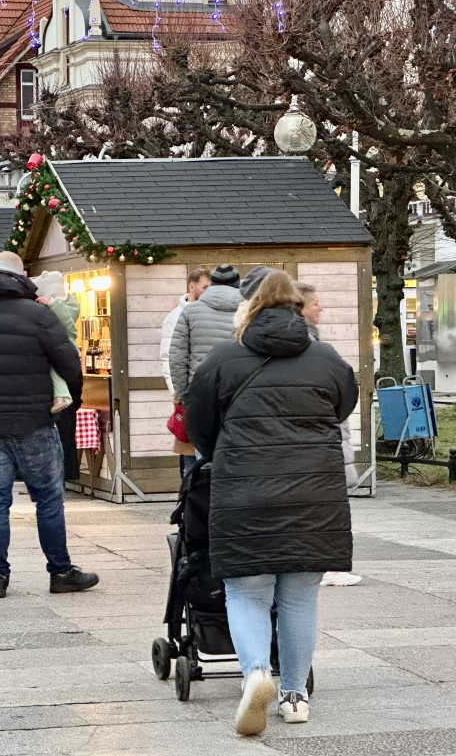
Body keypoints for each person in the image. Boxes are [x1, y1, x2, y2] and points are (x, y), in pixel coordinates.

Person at [186, 271, 358, 736]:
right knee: (300, 595)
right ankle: (296, 695)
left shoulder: (223, 359)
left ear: (248, 306)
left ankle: (257, 673)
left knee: (247, 591)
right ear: (297, 308)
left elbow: (197, 424)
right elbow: (343, 407)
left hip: (244, 494)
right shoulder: (326, 358)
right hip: (314, 495)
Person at [0, 251, 98, 599]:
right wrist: (69, 401)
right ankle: (60, 571)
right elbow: (68, 362)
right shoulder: (37, 314)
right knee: (48, 499)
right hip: (34, 419)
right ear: (20, 276)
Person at [295, 281, 362, 588]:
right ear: (300, 309)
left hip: (319, 435)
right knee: (326, 504)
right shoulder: (313, 347)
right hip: (323, 437)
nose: (320, 307)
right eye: (315, 303)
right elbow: (345, 391)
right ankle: (328, 566)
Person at [169, 264, 243, 477]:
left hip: (200, 394)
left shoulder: (191, 312)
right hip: (239, 394)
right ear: (237, 284)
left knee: (202, 459)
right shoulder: (249, 311)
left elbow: (177, 357)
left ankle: (201, 506)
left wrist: (183, 394)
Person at [33, 271, 80, 413]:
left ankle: (62, 396)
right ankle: (62, 396)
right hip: (64, 344)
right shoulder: (70, 303)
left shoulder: (64, 305)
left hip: (63, 344)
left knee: (53, 367)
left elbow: (67, 322)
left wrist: (52, 303)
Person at [160, 268, 211, 393]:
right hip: (190, 390)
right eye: (205, 287)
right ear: (192, 287)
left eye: (211, 288)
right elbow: (168, 357)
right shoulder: (175, 317)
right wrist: (176, 393)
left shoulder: (211, 314)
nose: (209, 292)